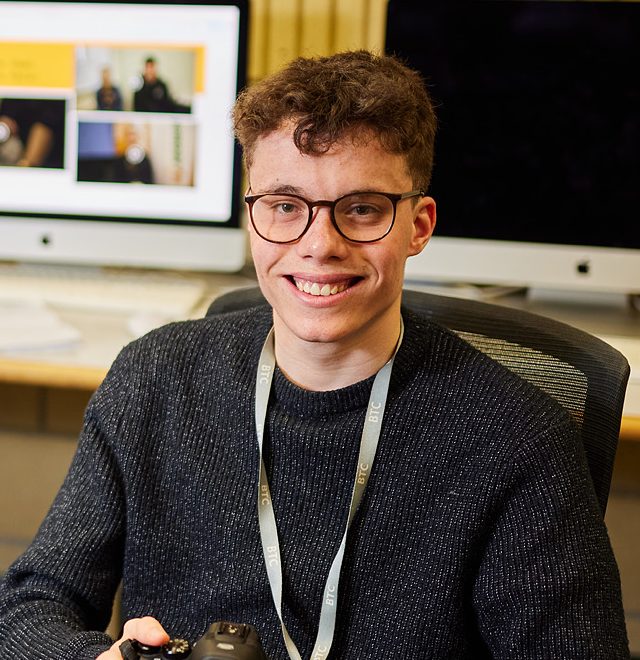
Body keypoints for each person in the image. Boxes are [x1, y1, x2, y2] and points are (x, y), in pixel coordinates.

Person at [0, 50, 630, 659]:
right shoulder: (154, 380)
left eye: (362, 209)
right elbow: (29, 607)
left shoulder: (517, 439)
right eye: (284, 205)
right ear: (251, 217)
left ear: (419, 225)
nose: (319, 244)